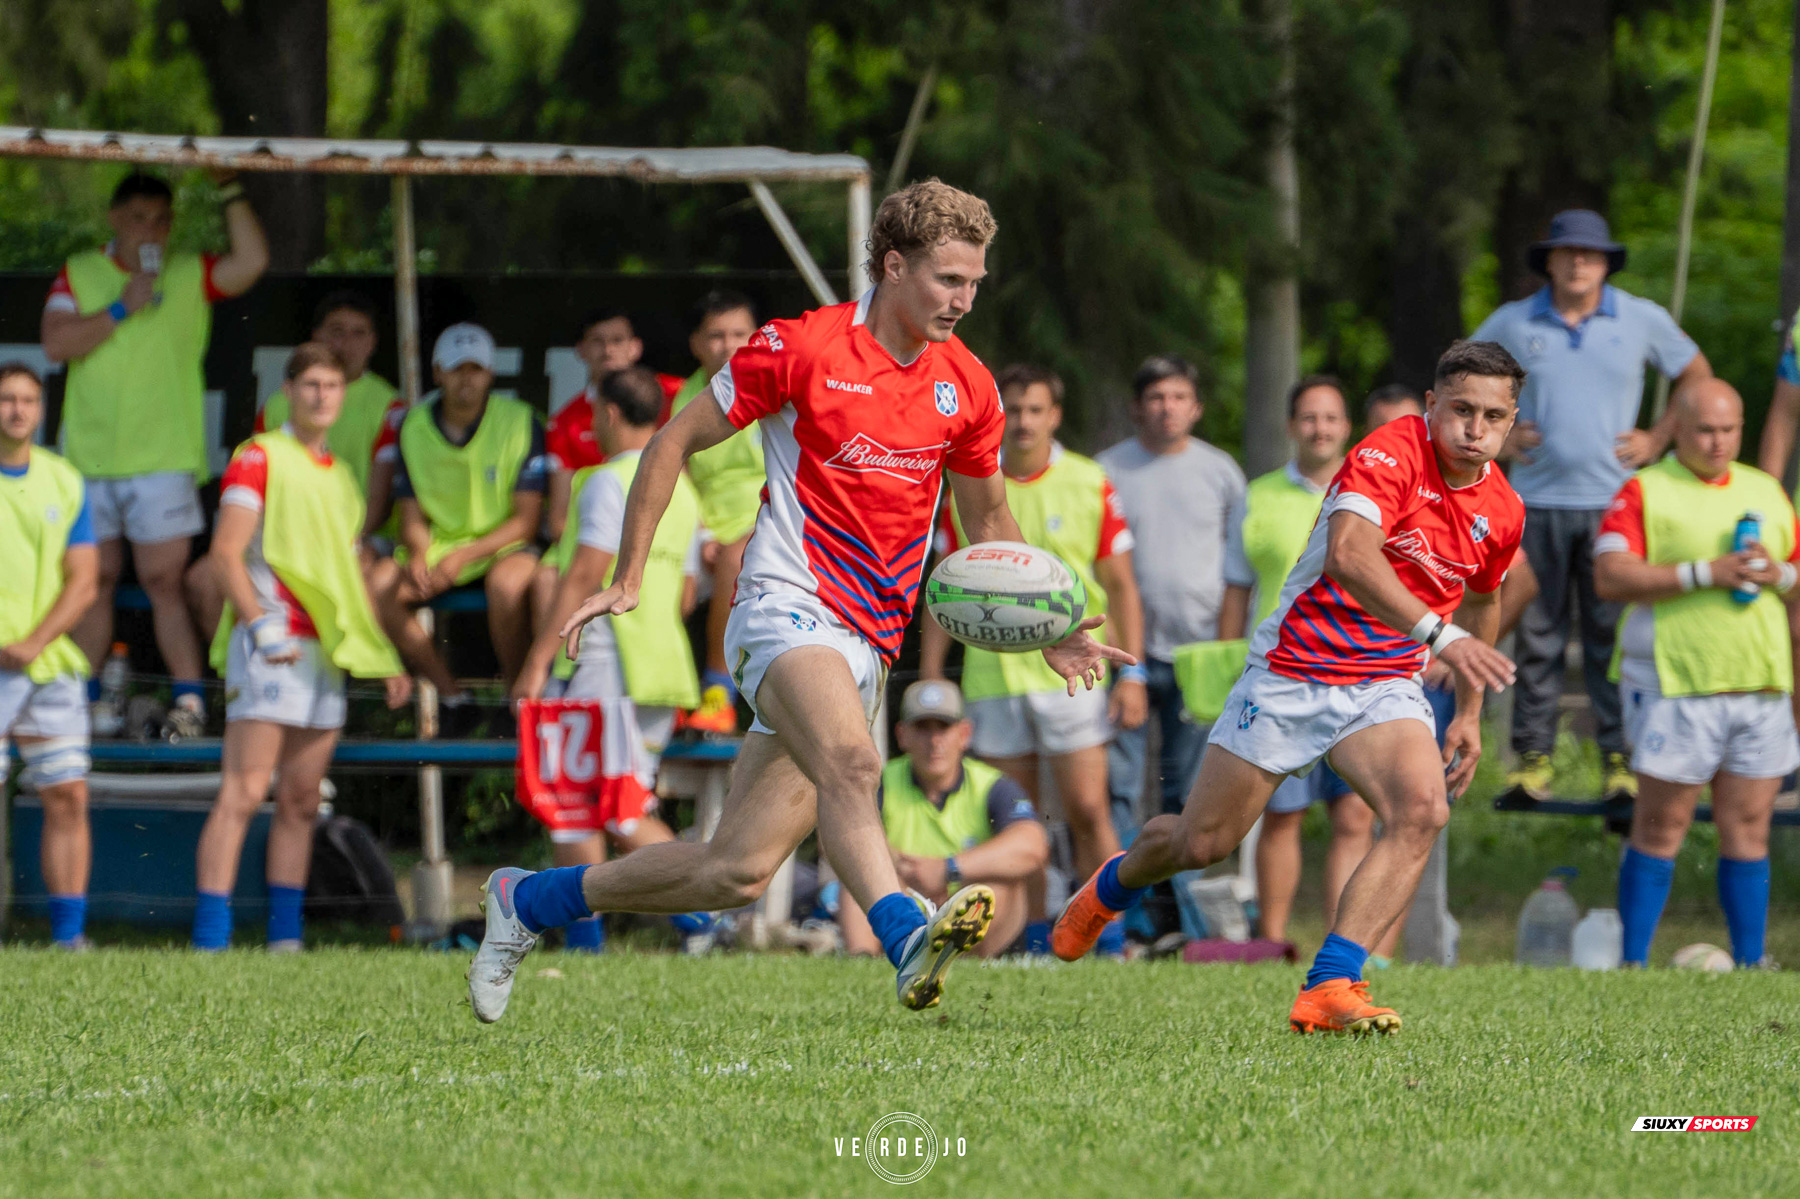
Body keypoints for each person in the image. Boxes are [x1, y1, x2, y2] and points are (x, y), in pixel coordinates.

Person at [466, 178, 1129, 1022]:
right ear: (893, 265)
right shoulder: (801, 347)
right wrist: (630, 575)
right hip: (784, 606)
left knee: (733, 870)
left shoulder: (968, 384)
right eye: (948, 280)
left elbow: (989, 518)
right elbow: (672, 439)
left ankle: (524, 902)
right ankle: (905, 934)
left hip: (868, 639)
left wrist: (1053, 625)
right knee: (856, 764)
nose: (965, 301)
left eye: (974, 283)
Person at [1055, 341, 1526, 1035]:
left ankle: (1332, 982)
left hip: (1384, 682)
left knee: (1422, 808)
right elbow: (1349, 556)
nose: (1474, 428)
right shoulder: (1389, 454)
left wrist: (1471, 711)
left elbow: (1483, 601)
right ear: (1431, 405)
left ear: (1512, 421)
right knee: (1202, 841)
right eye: (1460, 409)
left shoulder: (1503, 508)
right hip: (1292, 672)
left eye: (1493, 415)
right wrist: (1440, 634)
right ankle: (1111, 886)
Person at [1471, 209, 1711, 801]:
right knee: (1538, 634)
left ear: (1606, 263)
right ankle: (1532, 762)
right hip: (1534, 502)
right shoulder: (1512, 320)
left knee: (1613, 636)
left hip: (1614, 506)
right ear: (1548, 260)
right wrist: (1502, 428)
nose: (1579, 262)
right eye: (1568, 252)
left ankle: (1622, 765)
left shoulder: (1640, 318)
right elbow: (1464, 382)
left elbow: (1698, 379)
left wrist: (1657, 439)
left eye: (1591, 254)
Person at [191, 344, 411, 951]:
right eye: (310, 384)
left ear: (343, 396)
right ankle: (210, 937)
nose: (321, 396)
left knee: (301, 798)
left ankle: (284, 941)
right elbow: (225, 552)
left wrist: (384, 656)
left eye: (332, 385)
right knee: (243, 790)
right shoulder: (258, 455)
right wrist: (261, 625)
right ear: (288, 390)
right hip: (270, 643)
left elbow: (346, 576)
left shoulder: (343, 475)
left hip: (323, 656)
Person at [923, 363, 1145, 954]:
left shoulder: (1089, 479)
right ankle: (1035, 939)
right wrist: (928, 677)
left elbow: (1120, 585)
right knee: (1018, 819)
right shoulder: (973, 480)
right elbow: (944, 591)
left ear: (1055, 416)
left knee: (1088, 807)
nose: (1022, 421)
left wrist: (1135, 674)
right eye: (1013, 409)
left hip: (1075, 671)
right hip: (992, 676)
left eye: (1034, 409)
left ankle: (1108, 935)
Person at [41, 171, 269, 740]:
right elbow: (55, 342)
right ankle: (86, 703)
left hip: (162, 460)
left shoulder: (189, 269)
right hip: (90, 460)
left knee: (164, 584)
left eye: (162, 219)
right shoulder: (81, 269)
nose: (151, 229)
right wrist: (120, 308)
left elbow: (252, 261)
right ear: (116, 218)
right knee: (94, 581)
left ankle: (190, 701)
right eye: (140, 217)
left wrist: (229, 191)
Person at [1594, 378, 1798, 969]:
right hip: (1673, 681)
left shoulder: (1766, 490)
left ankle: (1751, 961)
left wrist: (1776, 575)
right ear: (1676, 428)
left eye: (1729, 429)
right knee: (1662, 822)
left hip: (1759, 681)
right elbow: (1610, 575)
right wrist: (1703, 573)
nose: (1718, 442)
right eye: (1705, 430)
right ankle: (1633, 964)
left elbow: (1797, 573)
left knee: (1751, 824)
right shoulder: (1644, 489)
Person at [512, 366, 712, 954]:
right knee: (626, 803)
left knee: (580, 803)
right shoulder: (683, 486)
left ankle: (595, 943)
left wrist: (536, 663)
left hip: (605, 657)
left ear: (611, 414)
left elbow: (583, 573)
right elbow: (686, 593)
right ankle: (700, 923)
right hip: (662, 665)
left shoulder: (605, 480)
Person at [1216, 375, 1364, 946]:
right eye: (1309, 418)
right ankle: (1271, 942)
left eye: (1330, 418)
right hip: (1281, 674)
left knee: (1354, 816)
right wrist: (1228, 665)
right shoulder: (1259, 495)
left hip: (1355, 671)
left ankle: (1349, 945)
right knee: (1280, 815)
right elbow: (1236, 588)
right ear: (1290, 427)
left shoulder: (1374, 491)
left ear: (1346, 428)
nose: (1320, 429)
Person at [188, 292, 406, 638]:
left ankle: (355, 682)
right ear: (316, 336)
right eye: (336, 330)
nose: (345, 342)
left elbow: (376, 510)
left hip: (361, 538)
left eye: (358, 333)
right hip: (281, 536)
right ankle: (239, 676)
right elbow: (258, 487)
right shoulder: (277, 404)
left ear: (373, 343)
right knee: (203, 580)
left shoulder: (389, 406)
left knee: (357, 572)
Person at [1096, 355, 1246, 834]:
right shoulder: (1106, 470)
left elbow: (1237, 570)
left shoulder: (1221, 472)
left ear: (1197, 407)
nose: (1168, 408)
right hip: (1124, 654)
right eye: (1156, 398)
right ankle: (1119, 905)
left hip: (1200, 654)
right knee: (1119, 785)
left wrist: (1223, 652)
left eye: (1179, 397)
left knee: (1188, 790)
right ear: (1137, 408)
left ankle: (1178, 901)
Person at [368, 323, 547, 712]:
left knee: (507, 585)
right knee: (379, 585)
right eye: (456, 368)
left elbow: (526, 522)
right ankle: (453, 698)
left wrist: (463, 556)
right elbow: (410, 509)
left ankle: (515, 698)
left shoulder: (520, 420)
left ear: (490, 374)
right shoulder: (413, 425)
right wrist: (418, 551)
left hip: (503, 546)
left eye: (475, 369)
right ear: (437, 373)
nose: (466, 378)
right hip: (441, 546)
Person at [841, 680, 1050, 958]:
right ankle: (862, 961)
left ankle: (967, 959)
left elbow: (1033, 846)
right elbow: (840, 836)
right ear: (902, 735)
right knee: (860, 876)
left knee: (998, 887)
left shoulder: (993, 785)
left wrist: (948, 869)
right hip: (903, 900)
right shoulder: (879, 780)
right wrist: (899, 868)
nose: (934, 741)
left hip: (967, 903)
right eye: (922, 728)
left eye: (944, 727)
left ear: (965, 734)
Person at [0, 363, 99, 949]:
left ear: (41, 410)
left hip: (46, 664)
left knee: (67, 793)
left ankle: (69, 937)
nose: (16, 409)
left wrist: (35, 642)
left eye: (27, 400)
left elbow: (84, 580)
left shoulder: (65, 479)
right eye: (6, 398)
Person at [533, 310, 684, 628]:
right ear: (581, 350)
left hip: (670, 533)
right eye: (597, 341)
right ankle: (552, 672)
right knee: (545, 578)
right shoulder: (564, 422)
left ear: (636, 347)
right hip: (591, 538)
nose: (608, 350)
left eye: (617, 340)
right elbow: (559, 522)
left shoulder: (680, 396)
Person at [666, 290, 764, 734]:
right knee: (657, 579)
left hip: (770, 526)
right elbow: (679, 477)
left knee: (733, 559)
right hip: (704, 535)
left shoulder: (776, 388)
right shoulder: (683, 398)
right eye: (716, 335)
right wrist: (701, 536)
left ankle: (717, 695)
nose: (729, 345)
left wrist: (737, 537)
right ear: (695, 344)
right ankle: (668, 695)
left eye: (740, 334)